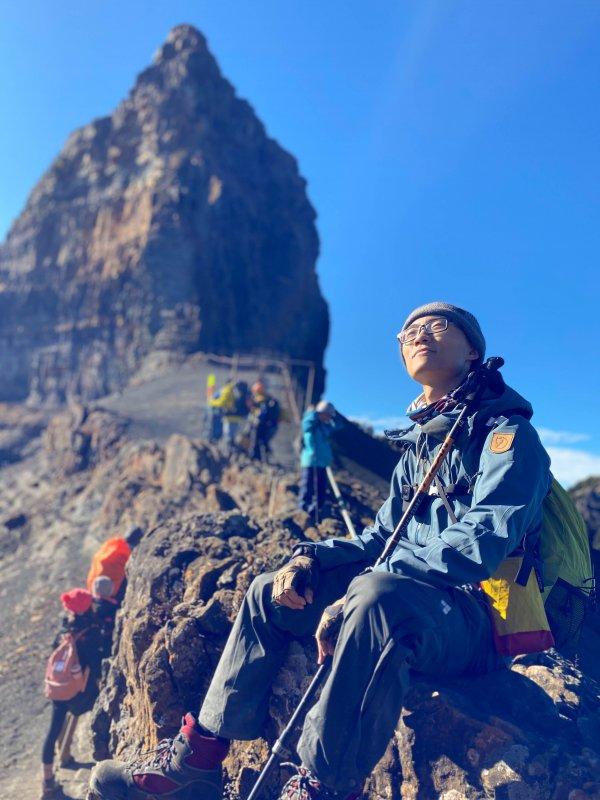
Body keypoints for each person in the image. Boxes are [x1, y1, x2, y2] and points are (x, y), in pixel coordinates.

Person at [88, 302, 552, 800]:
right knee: (272, 590)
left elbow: (482, 542)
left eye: (439, 327)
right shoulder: (416, 451)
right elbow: (379, 537)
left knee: (376, 597)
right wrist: (309, 558)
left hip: (475, 618)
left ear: (473, 351)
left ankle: (322, 785)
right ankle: (197, 763)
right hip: (406, 598)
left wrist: (358, 588)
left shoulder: (506, 437)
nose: (421, 335)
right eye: (410, 331)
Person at [41, 588, 105, 799]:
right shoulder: (91, 632)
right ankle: (66, 753)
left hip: (58, 688)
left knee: (52, 731)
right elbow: (96, 665)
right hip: (78, 692)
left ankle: (48, 781)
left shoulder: (64, 630)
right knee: (79, 710)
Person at [298, 400, 342, 522]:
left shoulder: (325, 427)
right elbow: (306, 423)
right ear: (321, 413)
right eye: (328, 415)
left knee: (321, 491)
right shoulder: (311, 425)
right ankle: (303, 511)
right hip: (311, 462)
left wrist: (333, 416)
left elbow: (338, 425)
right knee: (307, 488)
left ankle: (314, 511)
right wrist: (314, 413)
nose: (329, 418)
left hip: (322, 463)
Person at [208, 380, 250, 451]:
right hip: (239, 417)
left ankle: (230, 452)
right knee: (234, 436)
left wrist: (212, 402)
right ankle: (234, 451)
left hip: (229, 417)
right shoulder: (237, 391)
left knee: (228, 436)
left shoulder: (227, 390)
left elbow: (221, 402)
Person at [248, 381, 280, 462]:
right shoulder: (268, 398)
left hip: (262, 425)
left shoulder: (261, 400)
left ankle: (256, 458)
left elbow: (262, 413)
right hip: (268, 425)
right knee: (263, 442)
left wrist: (257, 419)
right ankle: (263, 458)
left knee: (258, 441)